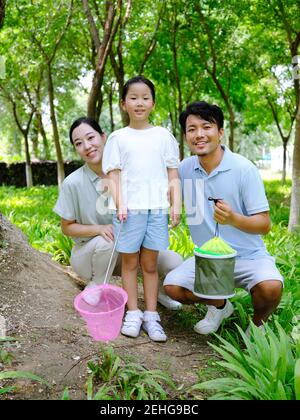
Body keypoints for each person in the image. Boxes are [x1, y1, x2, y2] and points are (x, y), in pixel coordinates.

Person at [164, 101, 283, 336]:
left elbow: (264, 224)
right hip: (209, 259)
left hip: (249, 257)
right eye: (191, 129)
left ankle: (257, 326)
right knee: (173, 287)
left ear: (220, 132)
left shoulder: (243, 169)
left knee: (271, 288)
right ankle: (219, 306)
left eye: (206, 127)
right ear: (186, 136)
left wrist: (233, 219)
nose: (199, 134)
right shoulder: (184, 169)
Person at [53, 116, 183, 308]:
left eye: (91, 138)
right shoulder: (73, 183)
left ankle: (158, 294)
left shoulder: (131, 176)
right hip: (90, 255)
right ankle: (97, 284)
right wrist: (98, 229)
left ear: (104, 137)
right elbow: (67, 228)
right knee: (111, 235)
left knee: (173, 261)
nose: (87, 146)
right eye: (79, 143)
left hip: (124, 251)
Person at [102, 76, 182, 342]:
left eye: (145, 97)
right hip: (130, 211)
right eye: (133, 98)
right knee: (129, 263)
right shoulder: (118, 137)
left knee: (150, 264)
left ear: (153, 103)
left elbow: (172, 172)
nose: (139, 103)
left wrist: (176, 204)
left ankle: (151, 315)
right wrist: (120, 202)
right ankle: (133, 313)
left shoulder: (163, 136)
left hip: (156, 209)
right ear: (124, 104)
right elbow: (113, 174)